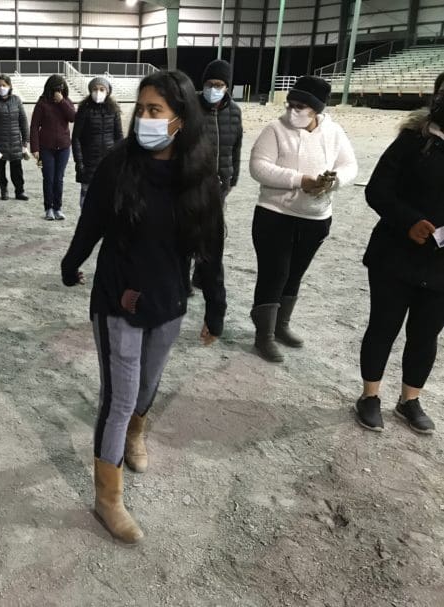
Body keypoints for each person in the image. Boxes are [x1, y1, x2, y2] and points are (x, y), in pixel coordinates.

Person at [60, 71, 226, 543]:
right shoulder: (119, 164)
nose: (144, 119)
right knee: (118, 397)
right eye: (142, 109)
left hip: (169, 303)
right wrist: (71, 264)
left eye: (156, 111)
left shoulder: (199, 175)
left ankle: (137, 434)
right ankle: (108, 499)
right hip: (118, 299)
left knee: (148, 387)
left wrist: (215, 306)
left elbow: (210, 248)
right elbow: (90, 223)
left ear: (180, 119)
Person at [354, 74, 444, 435]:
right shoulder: (412, 140)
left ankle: (410, 400)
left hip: (441, 267)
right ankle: (369, 396)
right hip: (395, 255)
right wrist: (409, 222)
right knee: (384, 326)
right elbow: (377, 190)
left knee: (425, 335)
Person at [248, 76, 357, 363]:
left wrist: (334, 181)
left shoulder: (334, 132)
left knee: (295, 273)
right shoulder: (274, 129)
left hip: (316, 217)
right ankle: (265, 335)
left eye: (301, 107)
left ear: (317, 109)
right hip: (276, 215)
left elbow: (350, 165)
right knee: (275, 273)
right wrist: (299, 180)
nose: (293, 111)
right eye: (291, 105)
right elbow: (259, 167)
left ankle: (281, 325)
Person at [191, 59, 243, 293]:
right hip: (192, 181)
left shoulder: (234, 111)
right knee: (187, 229)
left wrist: (233, 177)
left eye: (219, 84)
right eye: (210, 83)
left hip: (219, 182)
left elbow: (237, 146)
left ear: (227, 86)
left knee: (211, 232)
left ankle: (202, 276)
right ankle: (181, 277)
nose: (214, 88)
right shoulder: (190, 105)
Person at [72, 76, 123, 209]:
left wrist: (120, 159)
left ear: (107, 92)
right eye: (95, 89)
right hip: (89, 162)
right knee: (86, 199)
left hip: (109, 161)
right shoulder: (84, 110)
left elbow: (119, 137)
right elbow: (76, 138)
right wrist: (80, 162)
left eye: (101, 89)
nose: (98, 92)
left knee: (108, 200)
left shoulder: (113, 110)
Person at [30, 75, 76, 221]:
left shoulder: (67, 102)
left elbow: (73, 117)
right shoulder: (42, 103)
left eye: (61, 88)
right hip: (46, 147)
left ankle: (58, 208)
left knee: (59, 178)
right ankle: (48, 208)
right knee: (48, 178)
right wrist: (35, 148)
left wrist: (61, 102)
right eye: (56, 88)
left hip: (63, 147)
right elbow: (34, 126)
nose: (58, 91)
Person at [0, 74, 30, 201]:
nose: (1, 88)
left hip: (15, 141)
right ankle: (3, 189)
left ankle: (19, 191)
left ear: (10, 86)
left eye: (4, 85)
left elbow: (23, 120)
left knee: (17, 169)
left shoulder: (17, 100)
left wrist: (25, 140)